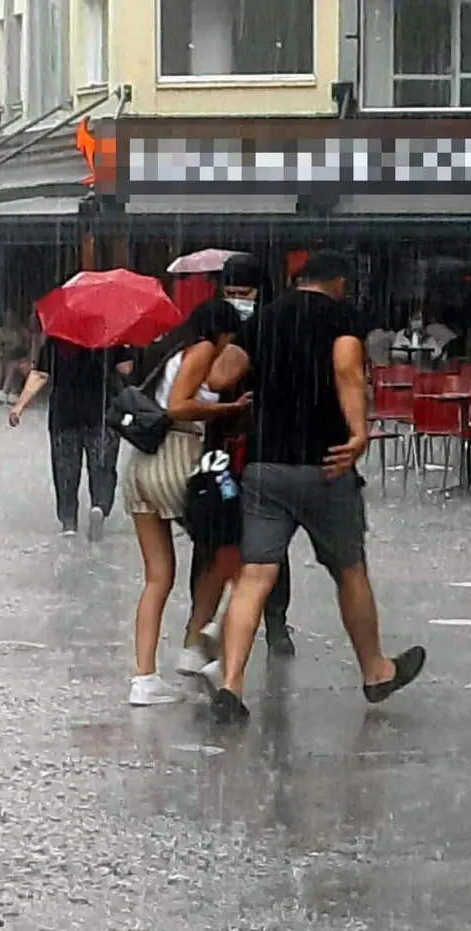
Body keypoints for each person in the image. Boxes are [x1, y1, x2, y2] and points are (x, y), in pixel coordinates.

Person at [203, 250, 426, 723]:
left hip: (266, 466)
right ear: (339, 282)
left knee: (256, 575)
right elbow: (346, 367)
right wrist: (358, 431)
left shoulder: (266, 318)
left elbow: (219, 374)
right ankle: (375, 672)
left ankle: (231, 685)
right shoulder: (341, 316)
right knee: (349, 569)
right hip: (325, 464)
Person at [122, 300, 251, 705]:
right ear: (223, 332)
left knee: (158, 577)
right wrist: (226, 407)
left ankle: (144, 680)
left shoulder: (167, 352)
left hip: (140, 467)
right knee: (233, 543)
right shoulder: (200, 351)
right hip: (176, 457)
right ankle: (206, 640)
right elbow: (179, 405)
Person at [184, 255, 297, 660]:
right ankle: (200, 626)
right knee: (212, 535)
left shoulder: (275, 330)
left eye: (244, 294)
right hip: (219, 450)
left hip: (263, 449)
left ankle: (276, 622)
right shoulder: (213, 330)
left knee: (268, 542)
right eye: (229, 293)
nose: (237, 302)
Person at [8, 334, 129, 541]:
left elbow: (40, 375)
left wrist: (19, 406)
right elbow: (126, 370)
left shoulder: (57, 340)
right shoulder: (110, 335)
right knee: (103, 465)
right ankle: (99, 506)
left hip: (64, 412)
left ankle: (68, 521)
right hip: (101, 411)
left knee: (65, 467)